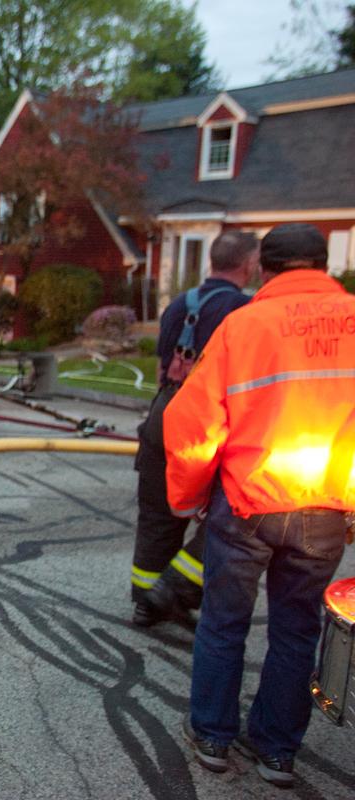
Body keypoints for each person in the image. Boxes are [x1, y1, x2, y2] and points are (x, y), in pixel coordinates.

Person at [167, 223, 355, 788]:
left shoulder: (243, 326)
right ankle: (277, 751)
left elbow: (192, 423)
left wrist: (190, 495)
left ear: (264, 268)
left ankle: (214, 739)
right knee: (297, 631)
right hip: (325, 506)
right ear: (323, 264)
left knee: (223, 623)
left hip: (247, 502)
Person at [130, 231, 258, 626]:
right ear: (248, 264)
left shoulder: (178, 306)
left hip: (164, 411)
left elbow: (160, 369)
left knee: (157, 512)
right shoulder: (244, 312)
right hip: (207, 419)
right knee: (231, 514)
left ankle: (145, 600)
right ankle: (173, 592)